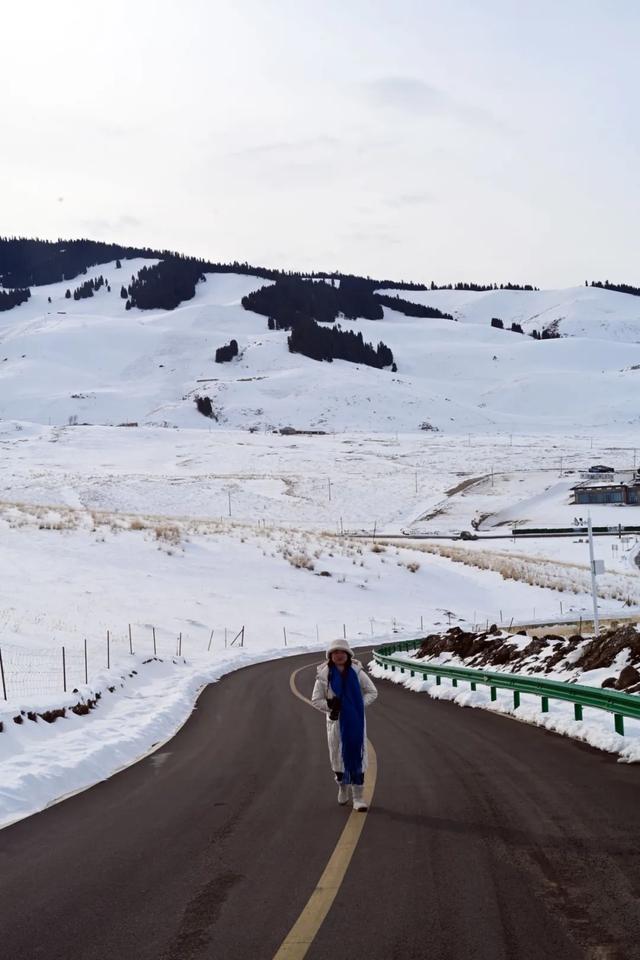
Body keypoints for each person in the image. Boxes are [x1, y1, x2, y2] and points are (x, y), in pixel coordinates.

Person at [311, 638, 378, 811]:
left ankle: (358, 798)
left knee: (357, 757)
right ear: (330, 656)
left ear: (348, 655)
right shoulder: (323, 676)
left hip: (355, 722)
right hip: (335, 724)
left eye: (342, 652)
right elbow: (316, 699)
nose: (339, 655)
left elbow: (372, 692)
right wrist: (330, 706)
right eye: (335, 653)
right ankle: (342, 787)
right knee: (338, 761)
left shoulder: (357, 673)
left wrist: (357, 705)